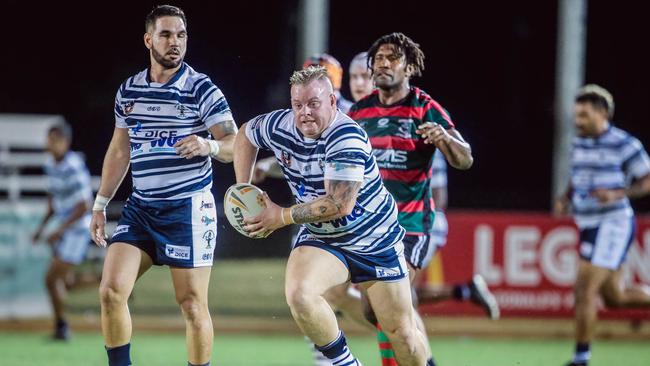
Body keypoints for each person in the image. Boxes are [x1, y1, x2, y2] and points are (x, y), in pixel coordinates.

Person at [233, 66, 430, 365]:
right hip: (323, 236)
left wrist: (281, 216)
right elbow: (246, 133)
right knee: (300, 294)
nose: (305, 113)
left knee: (401, 333)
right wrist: (243, 189)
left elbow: (339, 205)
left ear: (333, 103)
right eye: (298, 105)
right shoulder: (281, 125)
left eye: (314, 104)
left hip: (375, 240)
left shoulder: (346, 137)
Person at [89, 5, 237, 366]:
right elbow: (119, 150)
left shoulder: (201, 88)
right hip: (141, 208)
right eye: (167, 34)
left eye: (181, 35)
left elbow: (235, 145)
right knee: (110, 292)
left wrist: (209, 145)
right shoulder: (129, 91)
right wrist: (100, 203)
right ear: (148, 39)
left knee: (191, 304)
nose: (175, 43)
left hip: (187, 209)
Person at [347, 32, 497, 366]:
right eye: (379, 59)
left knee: (393, 303)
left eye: (393, 58)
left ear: (410, 66)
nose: (384, 64)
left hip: (410, 224)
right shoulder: (359, 113)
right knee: (376, 309)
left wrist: (444, 138)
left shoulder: (424, 107)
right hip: (369, 228)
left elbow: (465, 158)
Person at [554, 84, 650, 366]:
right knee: (614, 297)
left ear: (602, 113)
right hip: (587, 222)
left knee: (584, 289)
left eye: (584, 115)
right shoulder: (577, 143)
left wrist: (617, 194)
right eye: (576, 115)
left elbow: (647, 180)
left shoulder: (624, 143)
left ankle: (580, 358)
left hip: (613, 222)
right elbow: (577, 176)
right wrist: (566, 197)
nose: (578, 121)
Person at [31, 123, 95, 340]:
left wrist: (59, 230)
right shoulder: (50, 164)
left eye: (55, 139)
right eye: (49, 138)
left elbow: (85, 205)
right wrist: (41, 228)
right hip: (64, 229)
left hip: (77, 230)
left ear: (65, 142)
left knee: (51, 280)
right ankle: (102, 279)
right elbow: (53, 200)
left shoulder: (73, 165)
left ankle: (62, 326)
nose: (50, 143)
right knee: (63, 282)